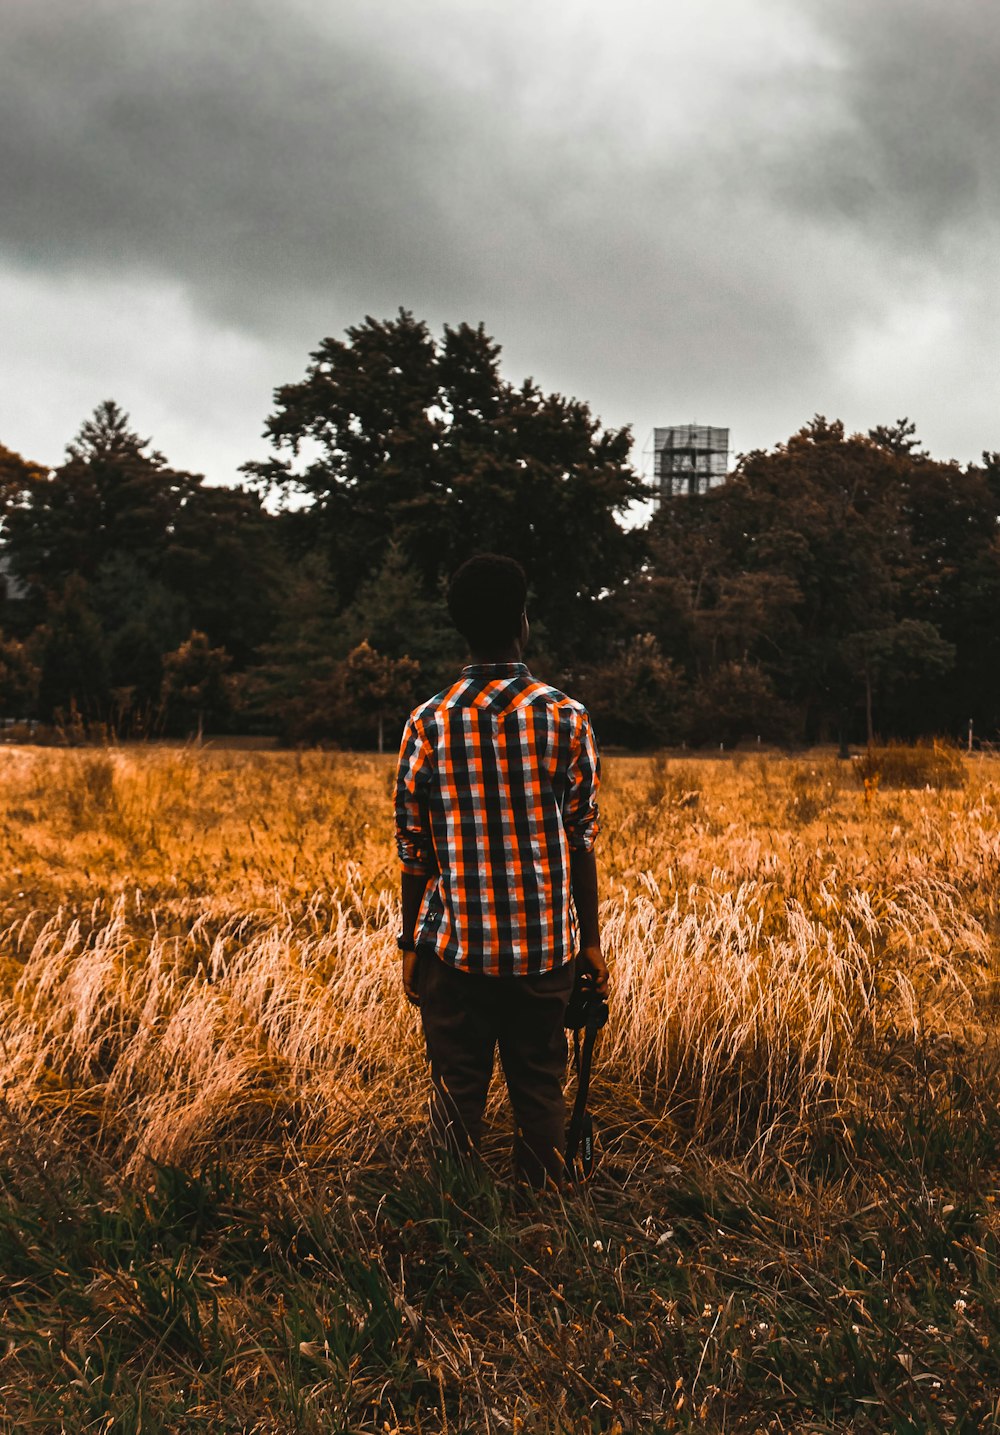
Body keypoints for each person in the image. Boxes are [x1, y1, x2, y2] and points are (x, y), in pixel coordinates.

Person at [393, 553, 609, 1187]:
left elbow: (414, 851)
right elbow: (581, 841)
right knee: (541, 1086)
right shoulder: (568, 718)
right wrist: (589, 941)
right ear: (523, 620)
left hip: (455, 952)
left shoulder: (427, 723)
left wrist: (410, 943)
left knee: (455, 1090)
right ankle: (541, 1220)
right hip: (545, 952)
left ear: (459, 626)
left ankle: (453, 1218)